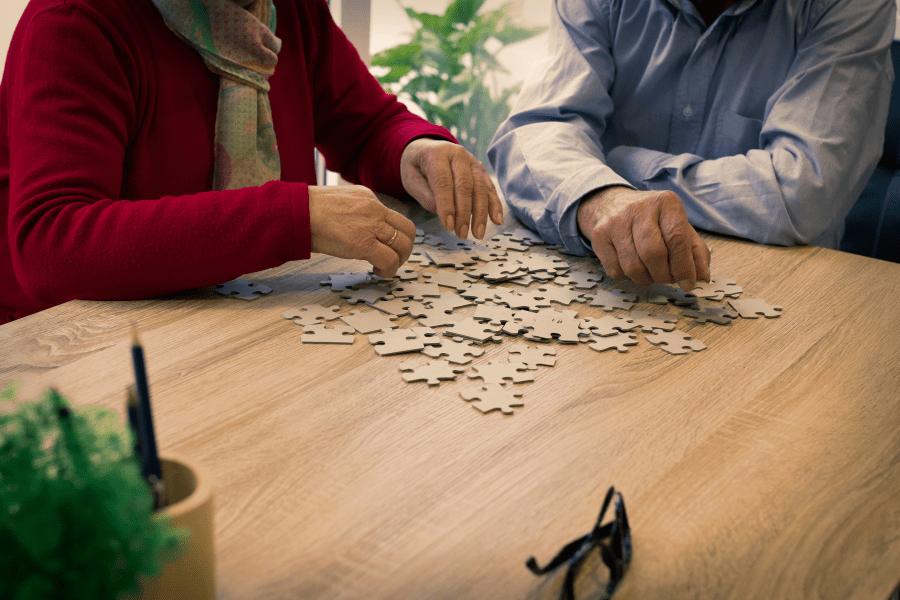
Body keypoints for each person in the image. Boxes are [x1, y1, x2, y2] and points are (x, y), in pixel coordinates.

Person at [0, 0, 503, 324]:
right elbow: (51, 243)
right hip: (82, 358)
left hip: (253, 325)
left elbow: (366, 125)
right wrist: (293, 217)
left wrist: (416, 149)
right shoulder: (74, 22)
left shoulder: (291, 9)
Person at [489, 0, 894, 292]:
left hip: (785, 292)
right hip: (613, 280)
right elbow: (536, 129)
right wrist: (600, 196)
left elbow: (802, 192)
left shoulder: (852, 5)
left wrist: (621, 165)